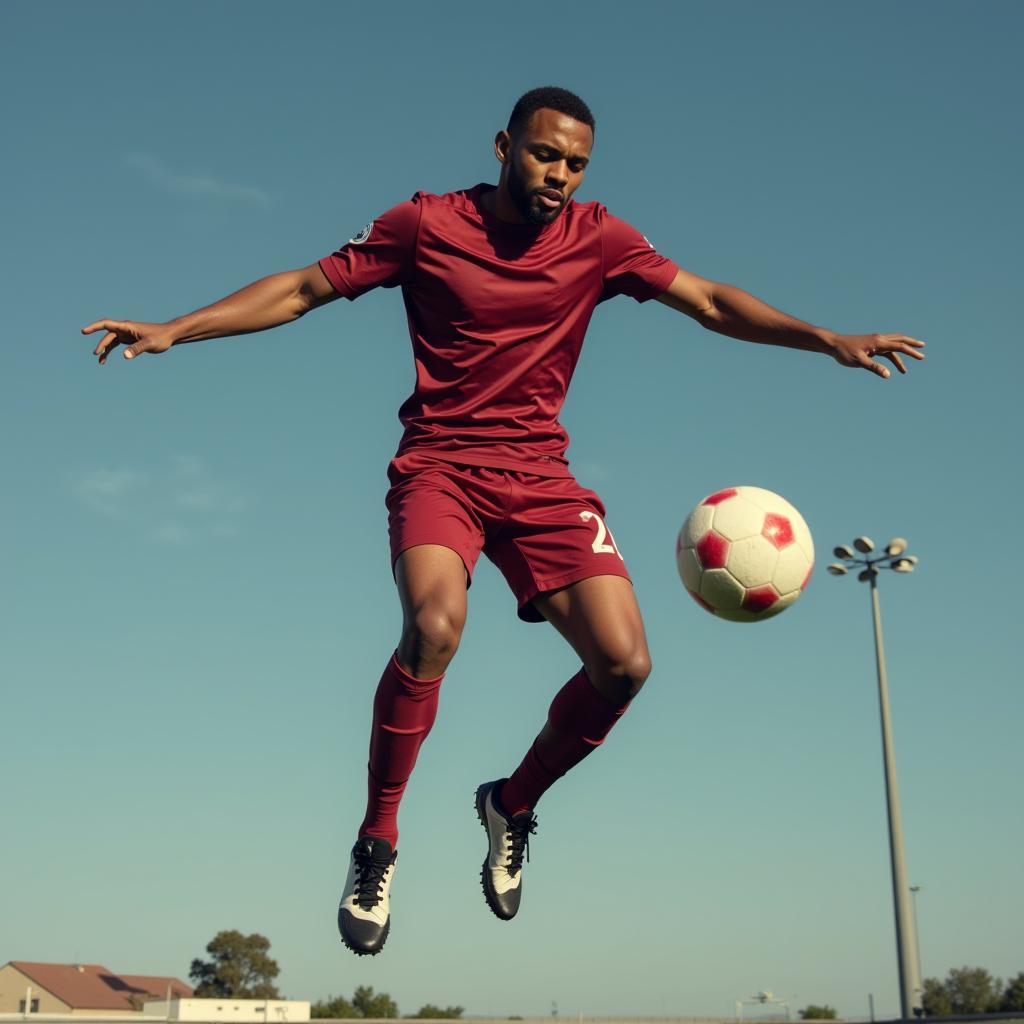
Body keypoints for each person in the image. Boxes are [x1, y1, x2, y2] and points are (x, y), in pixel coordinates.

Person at [82, 86, 924, 957]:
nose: (558, 174)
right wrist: (177, 330)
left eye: (574, 163)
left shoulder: (601, 239)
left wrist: (827, 338)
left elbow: (710, 302)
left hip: (542, 480)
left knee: (625, 665)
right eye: (543, 154)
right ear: (502, 145)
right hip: (441, 468)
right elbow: (300, 290)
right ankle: (378, 839)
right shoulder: (423, 224)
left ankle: (510, 804)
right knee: (435, 627)